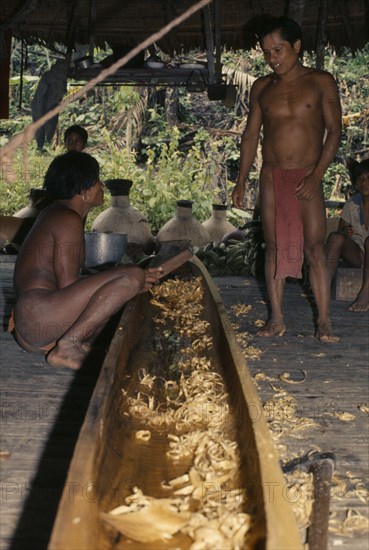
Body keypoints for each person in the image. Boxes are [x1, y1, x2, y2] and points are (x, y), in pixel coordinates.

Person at [232, 16, 342, 342]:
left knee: (315, 248)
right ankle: (276, 319)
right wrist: (241, 180)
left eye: (278, 49)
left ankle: (324, 322)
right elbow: (250, 136)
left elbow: (335, 132)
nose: (272, 58)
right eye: (266, 52)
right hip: (271, 175)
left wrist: (317, 175)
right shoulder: (262, 87)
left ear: (296, 46)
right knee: (274, 246)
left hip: (309, 172)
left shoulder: (322, 81)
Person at [12, 151, 163, 370]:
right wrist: (129, 278)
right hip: (40, 317)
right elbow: (69, 286)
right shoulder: (66, 218)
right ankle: (68, 347)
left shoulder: (57, 213)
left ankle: (73, 343)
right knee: (132, 275)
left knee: (129, 283)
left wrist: (125, 283)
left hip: (37, 326)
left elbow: (76, 288)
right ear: (83, 190)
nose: (101, 185)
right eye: (96, 180)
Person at [326, 158, 369, 312]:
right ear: (356, 183)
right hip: (359, 254)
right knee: (335, 238)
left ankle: (365, 293)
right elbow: (341, 232)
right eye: (361, 179)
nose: (365, 183)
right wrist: (346, 232)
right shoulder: (352, 205)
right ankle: (323, 288)